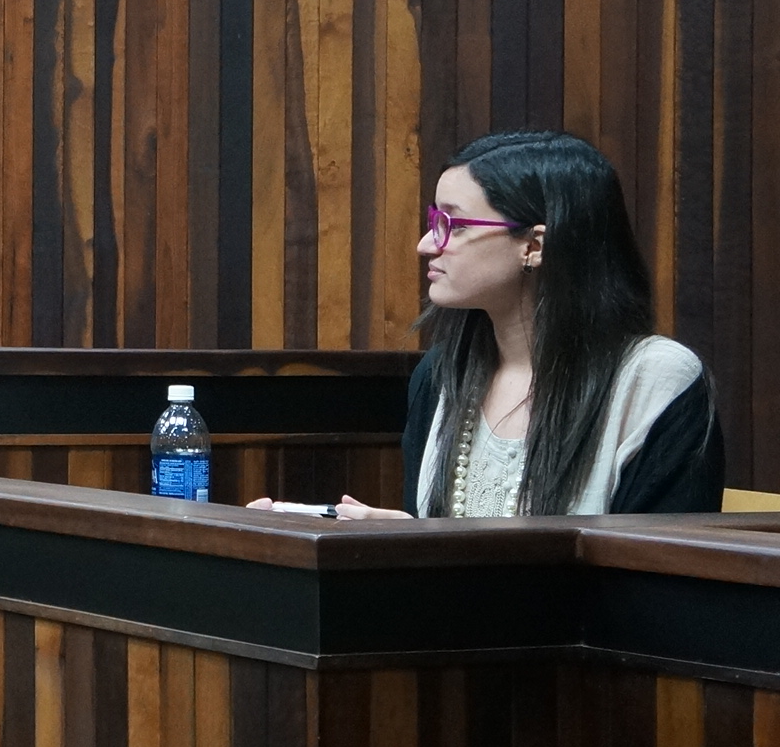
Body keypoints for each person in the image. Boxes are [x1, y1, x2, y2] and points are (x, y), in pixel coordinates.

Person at [260, 129, 722, 519]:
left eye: (454, 225)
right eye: (434, 221)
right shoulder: (440, 375)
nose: (426, 244)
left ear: (534, 246)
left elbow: (662, 580)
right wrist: (394, 542)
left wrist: (431, 554)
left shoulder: (656, 378)